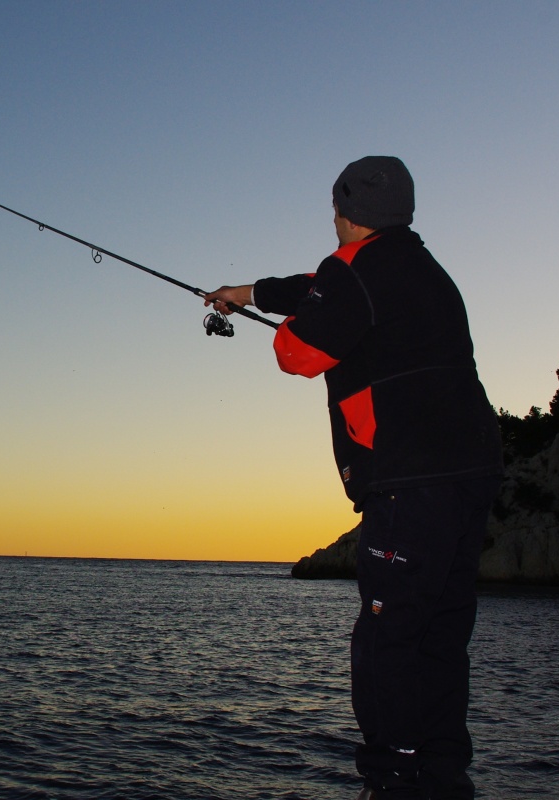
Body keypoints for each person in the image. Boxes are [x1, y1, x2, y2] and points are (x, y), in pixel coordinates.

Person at [204, 156, 502, 800]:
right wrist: (248, 293)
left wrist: (290, 321)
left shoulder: (353, 272)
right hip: (471, 473)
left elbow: (298, 353)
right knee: (441, 638)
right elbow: (321, 284)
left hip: (408, 482)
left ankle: (392, 784)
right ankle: (444, 780)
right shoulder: (422, 269)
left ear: (341, 211)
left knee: (387, 641)